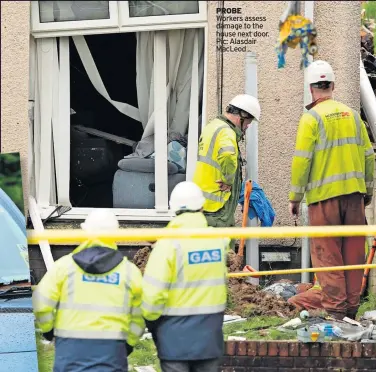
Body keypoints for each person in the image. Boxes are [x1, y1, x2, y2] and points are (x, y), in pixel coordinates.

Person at [287, 60, 375, 320]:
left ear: (311, 89)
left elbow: (302, 160)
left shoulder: (311, 118)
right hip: (354, 198)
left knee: (329, 257)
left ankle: (337, 313)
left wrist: (295, 196)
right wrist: (367, 192)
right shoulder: (352, 115)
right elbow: (369, 156)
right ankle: (351, 311)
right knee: (353, 254)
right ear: (333, 86)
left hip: (324, 201)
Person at [32, 209, 145, 372]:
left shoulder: (64, 266)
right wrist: (129, 343)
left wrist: (49, 331)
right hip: (112, 349)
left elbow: (41, 303)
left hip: (70, 349)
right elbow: (140, 315)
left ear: (85, 231)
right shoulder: (129, 272)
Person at [141, 181, 229, 372]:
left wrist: (152, 322)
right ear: (202, 207)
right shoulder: (217, 241)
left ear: (173, 209)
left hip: (174, 338)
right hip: (210, 335)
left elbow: (151, 296)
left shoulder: (168, 245)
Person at [193, 94, 261, 232]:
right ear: (241, 116)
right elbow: (228, 156)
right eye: (248, 122)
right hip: (217, 207)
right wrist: (228, 181)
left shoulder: (212, 126)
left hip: (203, 203)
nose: (247, 127)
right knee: (222, 249)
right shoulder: (226, 132)